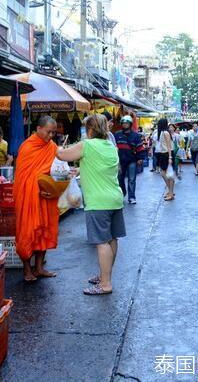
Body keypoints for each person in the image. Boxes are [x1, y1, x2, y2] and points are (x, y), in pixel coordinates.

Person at [56, 114, 125, 295]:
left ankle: (105, 284)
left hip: (98, 202)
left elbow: (62, 155)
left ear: (91, 129)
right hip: (115, 199)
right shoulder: (110, 146)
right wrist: (81, 169)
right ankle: (105, 275)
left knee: (101, 242)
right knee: (112, 239)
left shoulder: (87, 145)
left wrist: (56, 146)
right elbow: (99, 165)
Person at [14, 116, 60, 282]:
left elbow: (56, 170)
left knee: (44, 230)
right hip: (29, 196)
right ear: (39, 129)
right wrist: (37, 190)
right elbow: (23, 178)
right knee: (27, 231)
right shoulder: (27, 147)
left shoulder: (52, 146)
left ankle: (39, 268)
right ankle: (27, 269)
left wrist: (55, 185)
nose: (51, 136)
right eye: (49, 132)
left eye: (53, 132)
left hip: (46, 197)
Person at [114, 115, 146, 204]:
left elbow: (140, 147)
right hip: (120, 161)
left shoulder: (135, 136)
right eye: (123, 123)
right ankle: (122, 194)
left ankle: (131, 197)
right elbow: (112, 147)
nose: (125, 124)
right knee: (120, 179)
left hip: (132, 161)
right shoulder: (117, 134)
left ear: (130, 124)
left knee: (132, 179)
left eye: (127, 123)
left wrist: (140, 158)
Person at [155, 118, 175, 201]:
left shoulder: (165, 133)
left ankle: (170, 192)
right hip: (163, 154)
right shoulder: (162, 133)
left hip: (167, 154)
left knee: (167, 174)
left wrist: (170, 157)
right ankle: (170, 191)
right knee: (165, 174)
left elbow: (169, 146)